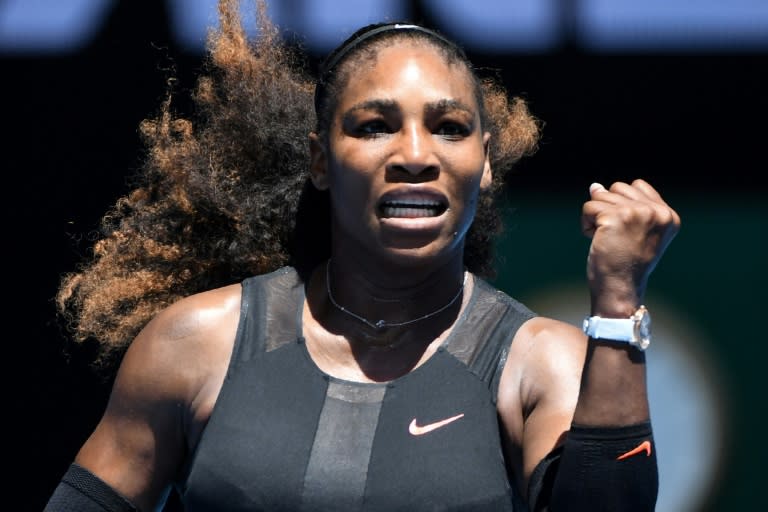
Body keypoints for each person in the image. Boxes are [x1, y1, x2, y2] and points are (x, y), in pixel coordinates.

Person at [44, 0, 680, 510]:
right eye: (374, 126)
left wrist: (619, 302)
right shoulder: (194, 344)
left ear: (485, 163)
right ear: (321, 160)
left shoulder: (540, 363)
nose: (414, 155)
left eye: (449, 127)